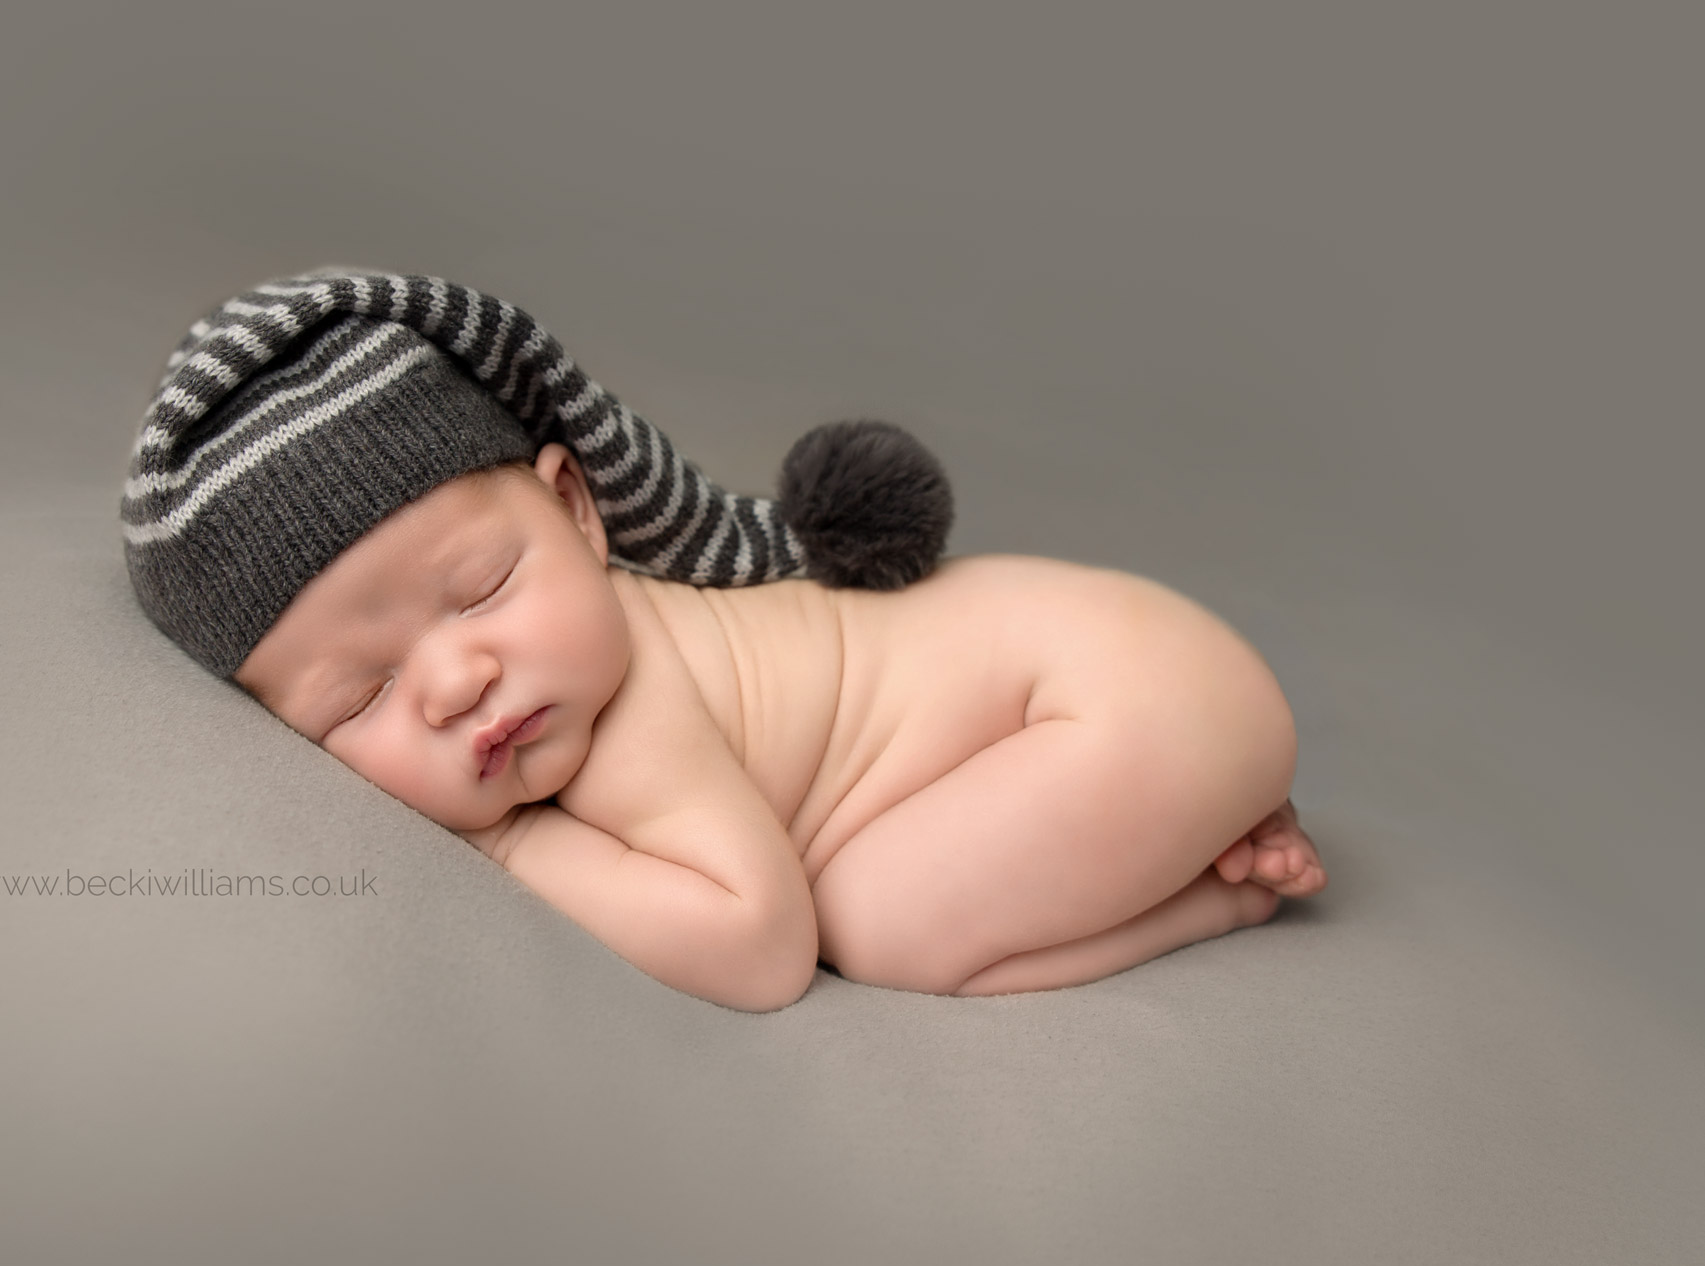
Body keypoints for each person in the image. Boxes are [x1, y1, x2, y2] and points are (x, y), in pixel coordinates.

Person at [123, 268, 1326, 1013]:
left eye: (484, 587)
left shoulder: (629, 717)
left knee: (872, 923)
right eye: (361, 693)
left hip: (1117, 693)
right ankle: (1177, 818)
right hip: (1132, 677)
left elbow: (759, 948)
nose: (452, 680)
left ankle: (1206, 890)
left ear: (579, 510)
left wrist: (507, 857)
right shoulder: (560, 677)